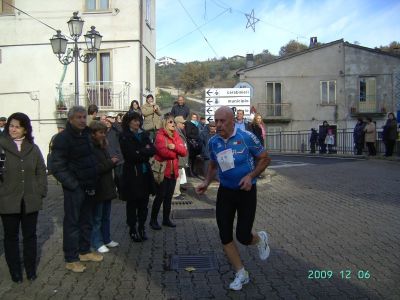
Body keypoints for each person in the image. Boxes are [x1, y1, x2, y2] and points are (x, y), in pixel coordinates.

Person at [195, 106, 271, 291]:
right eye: (216, 121)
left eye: (222, 121)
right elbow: (213, 164)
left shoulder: (246, 137)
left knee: (243, 236)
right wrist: (206, 181)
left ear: (231, 120)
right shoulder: (214, 142)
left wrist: (251, 176)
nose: (218, 125)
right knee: (225, 235)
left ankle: (260, 239)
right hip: (225, 192)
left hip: (246, 192)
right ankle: (241, 273)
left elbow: (265, 158)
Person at [50, 106, 103, 273]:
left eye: (83, 117)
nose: (82, 120)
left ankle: (84, 251)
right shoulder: (62, 139)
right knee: (72, 223)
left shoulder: (86, 134)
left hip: (89, 185)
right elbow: (57, 167)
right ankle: (71, 258)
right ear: (70, 119)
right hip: (74, 188)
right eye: (78, 117)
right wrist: (73, 185)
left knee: (86, 220)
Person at [0, 113, 47, 283]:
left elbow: (41, 171)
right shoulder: (1, 145)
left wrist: (40, 191)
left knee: (30, 236)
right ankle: (15, 271)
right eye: (11, 125)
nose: (13, 129)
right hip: (7, 200)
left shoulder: (32, 148)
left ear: (25, 130)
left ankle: (30, 269)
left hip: (30, 200)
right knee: (11, 237)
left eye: (17, 126)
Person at [119, 112, 156, 242]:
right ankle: (132, 228)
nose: (137, 123)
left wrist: (140, 151)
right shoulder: (125, 136)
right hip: (132, 174)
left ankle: (142, 227)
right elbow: (130, 155)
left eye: (138, 121)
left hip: (145, 174)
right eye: (134, 121)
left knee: (144, 204)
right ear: (128, 122)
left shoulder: (144, 134)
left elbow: (152, 150)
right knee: (132, 203)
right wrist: (143, 151)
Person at [150, 114, 187, 230]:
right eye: (171, 122)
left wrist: (174, 147)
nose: (173, 124)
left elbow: (184, 151)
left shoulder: (176, 135)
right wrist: (176, 151)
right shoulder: (160, 136)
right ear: (165, 123)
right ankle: (153, 220)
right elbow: (163, 153)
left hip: (173, 171)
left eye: (174, 122)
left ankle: (166, 219)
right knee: (160, 196)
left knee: (169, 197)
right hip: (162, 171)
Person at [89, 121, 119, 253]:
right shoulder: (91, 148)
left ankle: (106, 238)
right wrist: (110, 162)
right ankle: (97, 241)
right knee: (97, 217)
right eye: (100, 132)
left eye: (104, 132)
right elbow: (95, 168)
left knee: (106, 215)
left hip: (107, 185)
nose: (103, 135)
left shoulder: (103, 146)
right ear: (93, 134)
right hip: (98, 186)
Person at [101, 116, 124, 199]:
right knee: (108, 178)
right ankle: (111, 192)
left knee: (119, 177)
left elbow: (122, 131)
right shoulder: (101, 132)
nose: (106, 122)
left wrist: (114, 122)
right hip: (106, 158)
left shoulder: (115, 130)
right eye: (104, 120)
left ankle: (121, 192)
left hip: (118, 157)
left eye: (108, 120)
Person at [173, 116, 188, 201]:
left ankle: (177, 191)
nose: (184, 125)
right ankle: (176, 193)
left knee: (179, 176)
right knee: (177, 176)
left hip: (180, 158)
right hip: (178, 158)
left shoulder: (179, 131)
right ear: (178, 123)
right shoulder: (176, 132)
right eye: (182, 123)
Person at [185, 112, 202, 177]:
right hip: (191, 144)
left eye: (195, 117)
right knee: (190, 159)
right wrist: (196, 137)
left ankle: (193, 171)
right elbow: (188, 134)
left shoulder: (197, 124)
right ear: (191, 118)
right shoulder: (189, 124)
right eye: (193, 117)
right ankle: (190, 172)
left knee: (194, 159)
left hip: (195, 144)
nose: (194, 118)